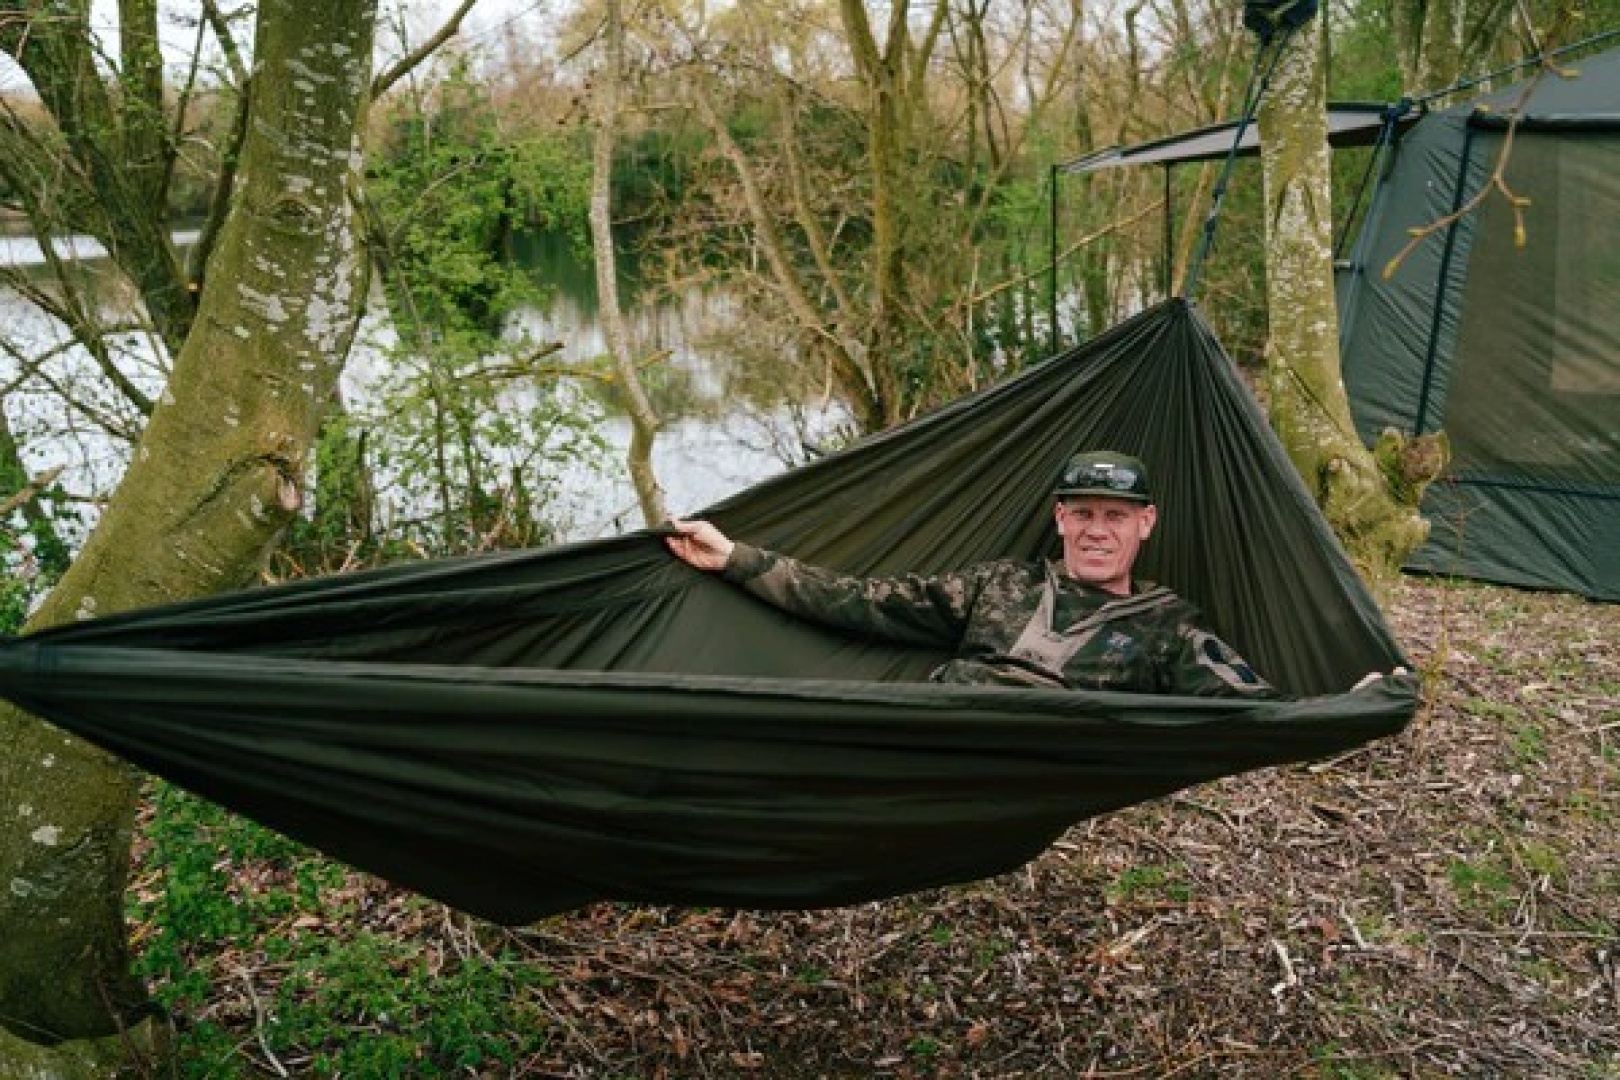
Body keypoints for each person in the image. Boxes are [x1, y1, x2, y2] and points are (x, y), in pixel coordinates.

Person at [664, 449, 1282, 697]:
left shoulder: (1167, 626)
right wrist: (735, 559)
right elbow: (859, 601)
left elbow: (1253, 710)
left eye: (1115, 516)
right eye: (1084, 513)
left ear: (1145, 523)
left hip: (1049, 761)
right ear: (1059, 519)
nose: (1098, 530)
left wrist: (1359, 703)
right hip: (942, 731)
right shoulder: (999, 586)